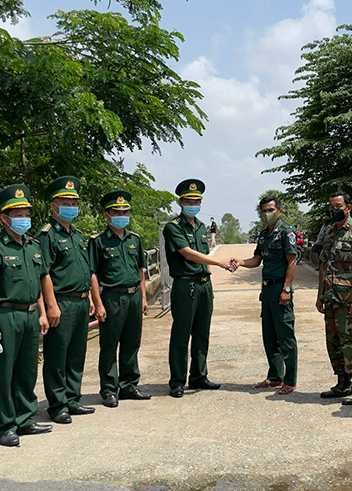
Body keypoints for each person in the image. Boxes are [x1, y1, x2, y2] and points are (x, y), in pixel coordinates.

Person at [0, 184, 56, 446]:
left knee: (26, 370)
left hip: (31, 316)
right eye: (18, 214)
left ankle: (24, 419)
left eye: (26, 213)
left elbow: (38, 283)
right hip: (6, 316)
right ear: (4, 218)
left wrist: (43, 313)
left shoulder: (33, 246)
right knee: (4, 372)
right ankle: (4, 425)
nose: (24, 218)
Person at [163, 179, 235, 398]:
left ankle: (199, 376)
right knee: (181, 334)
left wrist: (208, 281)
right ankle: (177, 381)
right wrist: (220, 263)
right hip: (186, 285)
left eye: (197, 200)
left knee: (202, 333)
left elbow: (202, 257)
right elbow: (187, 253)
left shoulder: (202, 228)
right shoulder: (173, 227)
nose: (193, 203)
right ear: (181, 201)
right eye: (189, 200)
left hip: (204, 285)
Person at [38, 176, 96, 424]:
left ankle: (73, 398)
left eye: (74, 201)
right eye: (66, 201)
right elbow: (44, 274)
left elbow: (87, 269)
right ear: (53, 205)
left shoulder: (78, 235)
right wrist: (51, 305)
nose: (71, 206)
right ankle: (57, 404)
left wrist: (92, 297)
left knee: (76, 353)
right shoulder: (48, 235)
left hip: (82, 301)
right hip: (61, 301)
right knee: (57, 355)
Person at [89, 190, 151, 408]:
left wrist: (143, 297)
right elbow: (93, 274)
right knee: (109, 344)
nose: (122, 215)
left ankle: (129, 385)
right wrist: (98, 303)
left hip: (134, 296)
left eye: (125, 211)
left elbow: (140, 269)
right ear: (107, 215)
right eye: (117, 212)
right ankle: (108, 389)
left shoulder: (135, 239)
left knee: (132, 343)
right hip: (112, 297)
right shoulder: (98, 241)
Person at [232, 196, 299, 395]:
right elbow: (257, 259)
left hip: (280, 289)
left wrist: (286, 289)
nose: (267, 214)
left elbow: (292, 261)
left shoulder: (287, 233)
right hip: (267, 290)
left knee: (286, 336)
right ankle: (275, 376)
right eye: (264, 211)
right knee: (269, 336)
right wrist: (240, 262)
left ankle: (290, 379)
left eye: (270, 209)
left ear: (279, 211)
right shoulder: (263, 235)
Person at [316, 191, 352, 405]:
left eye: (338, 206)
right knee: (334, 343)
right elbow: (323, 265)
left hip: (349, 300)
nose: (334, 210)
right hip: (331, 298)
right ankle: (342, 383)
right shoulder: (330, 232)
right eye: (331, 207)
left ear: (348, 208)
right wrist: (320, 294)